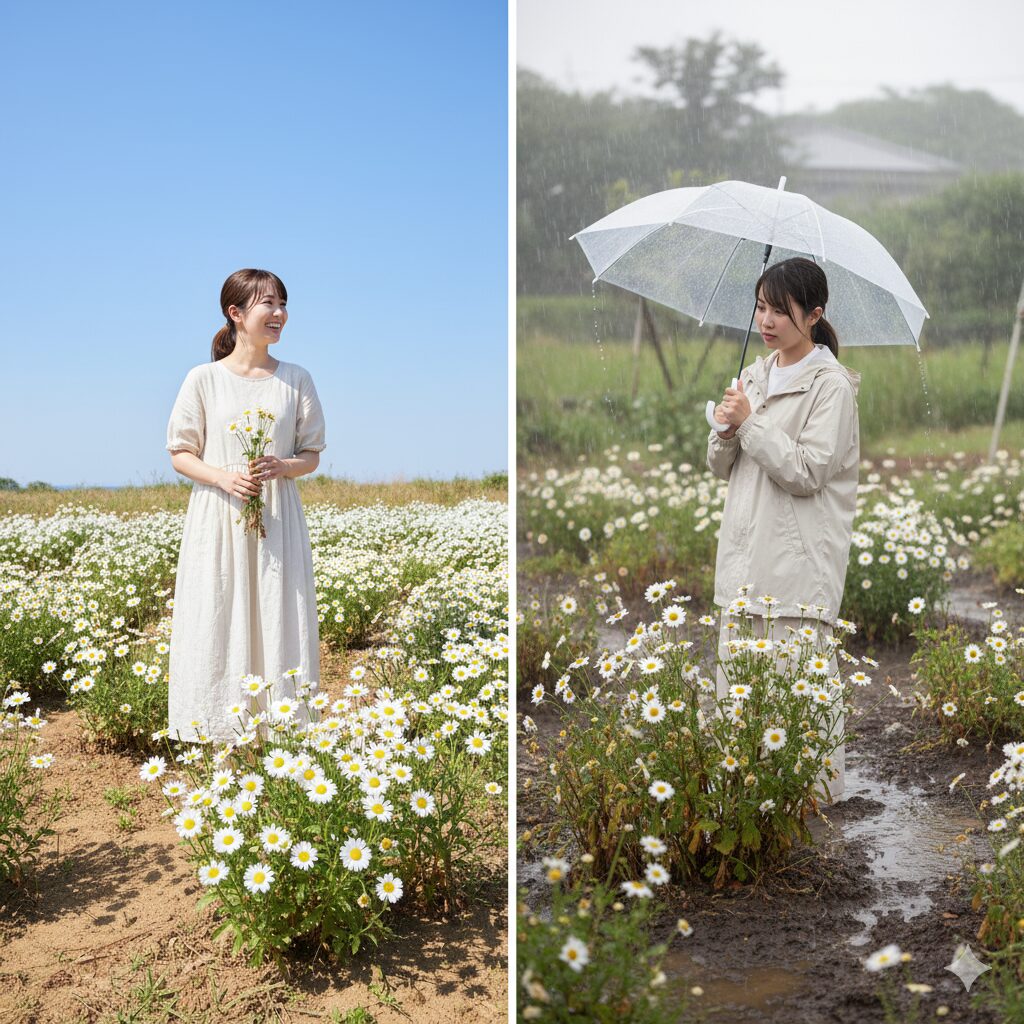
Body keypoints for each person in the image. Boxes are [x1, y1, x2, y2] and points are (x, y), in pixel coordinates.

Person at [706, 257, 860, 802]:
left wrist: (751, 423)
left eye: (780, 309)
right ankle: (744, 799)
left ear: (814, 315)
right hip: (745, 557)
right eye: (761, 306)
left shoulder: (831, 387)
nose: (766, 320)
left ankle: (814, 806)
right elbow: (722, 466)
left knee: (800, 694)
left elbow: (807, 471)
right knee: (740, 695)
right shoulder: (754, 374)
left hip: (796, 567)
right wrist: (725, 431)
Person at [165, 269, 326, 743]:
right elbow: (180, 452)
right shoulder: (203, 380)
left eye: (282, 304)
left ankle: (282, 733)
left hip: (277, 518)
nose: (278, 314)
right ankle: (219, 733)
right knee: (219, 612)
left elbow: (312, 454)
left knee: (280, 611)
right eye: (268, 305)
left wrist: (284, 466)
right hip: (219, 515)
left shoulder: (296, 378)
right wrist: (224, 477)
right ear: (236, 314)